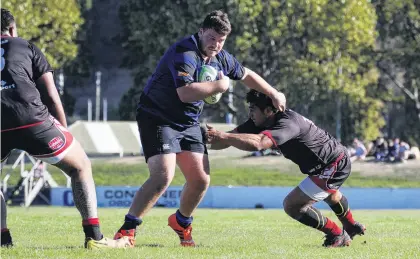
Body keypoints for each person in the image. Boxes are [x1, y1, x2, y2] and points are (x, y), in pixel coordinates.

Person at [113, 10, 286, 247]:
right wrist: (219, 85)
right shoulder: (185, 53)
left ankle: (181, 222)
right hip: (157, 117)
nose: (216, 44)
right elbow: (185, 94)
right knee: (163, 176)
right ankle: (127, 231)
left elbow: (246, 75)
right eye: (212, 38)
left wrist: (273, 93)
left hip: (188, 122)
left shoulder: (221, 56)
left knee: (201, 180)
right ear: (202, 31)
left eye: (221, 40)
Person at [0, 8, 131, 249]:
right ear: (11, 29)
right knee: (80, 165)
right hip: (31, 119)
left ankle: (2, 239)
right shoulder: (25, 46)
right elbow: (50, 95)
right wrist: (64, 129)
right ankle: (95, 237)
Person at [205, 90, 365, 247]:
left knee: (292, 205)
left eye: (252, 109)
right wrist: (201, 141)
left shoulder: (287, 123)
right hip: (325, 163)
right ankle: (350, 225)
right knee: (331, 195)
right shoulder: (259, 122)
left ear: (268, 111)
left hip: (334, 163)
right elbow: (227, 140)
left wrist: (223, 136)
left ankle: (336, 234)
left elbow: (258, 143)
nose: (250, 114)